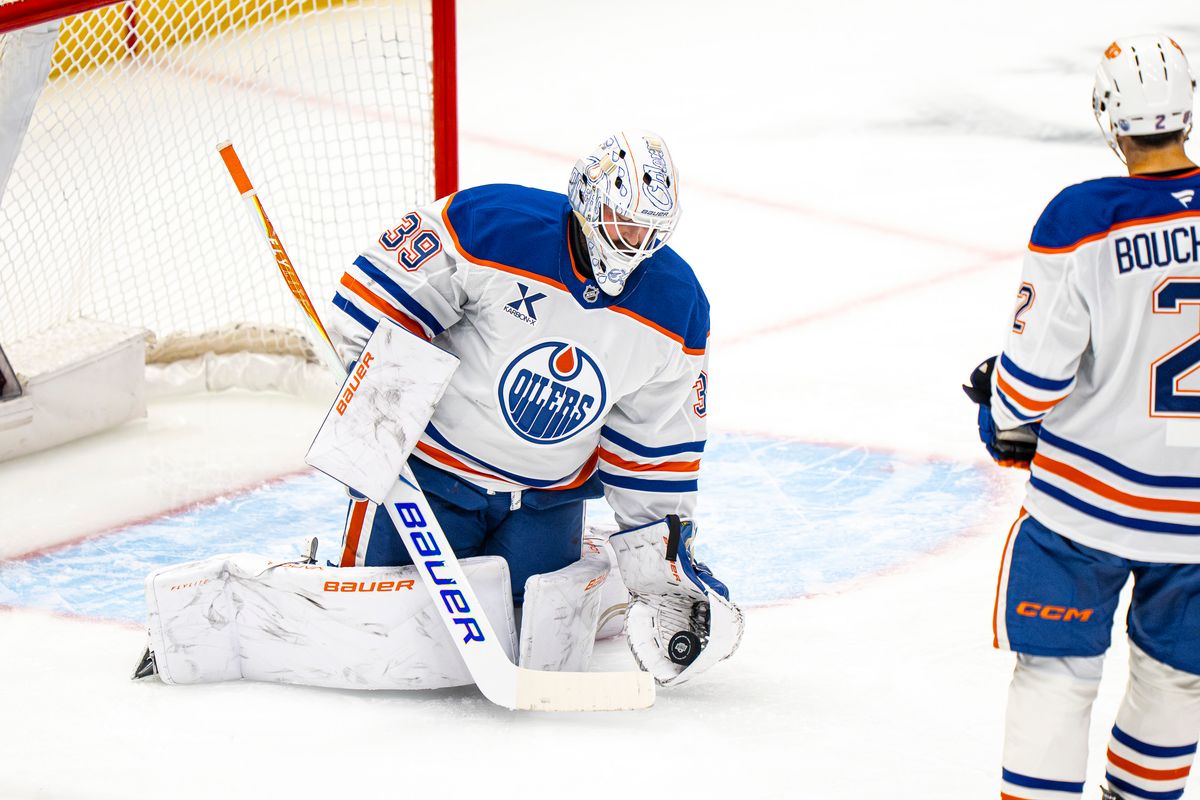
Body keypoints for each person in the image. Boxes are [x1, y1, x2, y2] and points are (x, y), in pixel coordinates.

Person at [326, 131, 740, 683]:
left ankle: (608, 574)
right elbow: (378, 299)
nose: (635, 243)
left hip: (546, 500)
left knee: (533, 640)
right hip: (428, 479)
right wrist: (381, 410)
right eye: (624, 223)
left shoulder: (676, 306)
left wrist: (656, 570)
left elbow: (655, 446)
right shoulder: (493, 224)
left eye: (650, 230)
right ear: (589, 202)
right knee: (373, 623)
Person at [964, 34, 1200, 800]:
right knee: (1177, 681)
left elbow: (1029, 388)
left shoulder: (1082, 219)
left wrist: (997, 406)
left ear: (1107, 115)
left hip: (1085, 508)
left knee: (1057, 678)